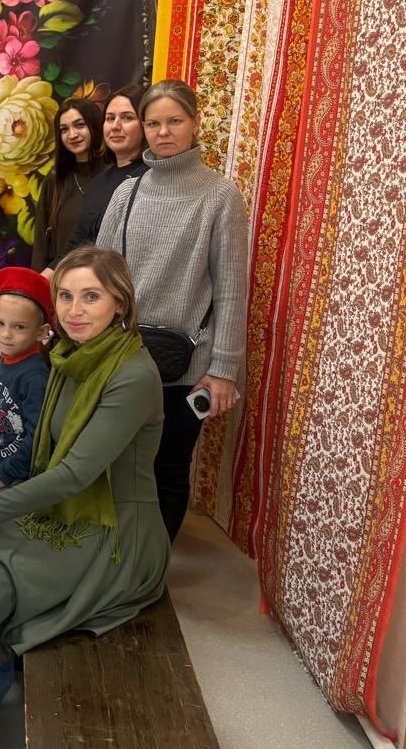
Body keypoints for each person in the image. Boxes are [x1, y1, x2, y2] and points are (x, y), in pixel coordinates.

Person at [0, 247, 167, 710]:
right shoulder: (69, 356)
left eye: (91, 297)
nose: (75, 310)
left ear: (120, 302)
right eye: (65, 296)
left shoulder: (132, 376)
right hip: (66, 507)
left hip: (113, 532)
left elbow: (75, 475)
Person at [95, 80, 248, 540]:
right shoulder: (126, 194)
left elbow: (232, 290)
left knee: (168, 470)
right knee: (114, 464)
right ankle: (115, 559)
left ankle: (153, 568)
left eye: (174, 121)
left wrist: (223, 370)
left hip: (187, 367)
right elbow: (98, 279)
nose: (163, 132)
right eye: (153, 123)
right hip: (122, 358)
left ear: (195, 123)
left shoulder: (220, 196)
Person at [44, 85, 148, 278]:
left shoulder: (152, 178)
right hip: (98, 285)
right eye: (110, 118)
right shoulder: (100, 182)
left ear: (146, 124)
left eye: (127, 117)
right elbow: (78, 243)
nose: (115, 126)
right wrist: (39, 283)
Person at [0, 268, 53, 487]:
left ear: (41, 332)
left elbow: (38, 434)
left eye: (19, 327)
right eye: (0, 323)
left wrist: (7, 471)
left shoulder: (35, 377)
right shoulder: (1, 360)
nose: (6, 334)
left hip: (10, 475)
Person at [32, 98, 108, 272]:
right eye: (64, 129)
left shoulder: (115, 176)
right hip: (61, 278)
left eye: (79, 125)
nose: (72, 135)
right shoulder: (55, 179)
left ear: (95, 125)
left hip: (105, 277)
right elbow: (41, 245)